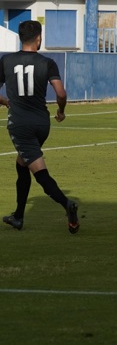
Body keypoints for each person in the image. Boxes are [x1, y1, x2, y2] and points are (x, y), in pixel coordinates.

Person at [0, 20, 79, 233]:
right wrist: (61, 111)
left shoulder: (6, 61)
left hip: (20, 125)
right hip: (42, 123)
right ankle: (18, 216)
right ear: (39, 38)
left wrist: (5, 101)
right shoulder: (47, 62)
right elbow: (61, 93)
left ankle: (67, 204)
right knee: (22, 164)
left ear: (20, 37)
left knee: (39, 172)